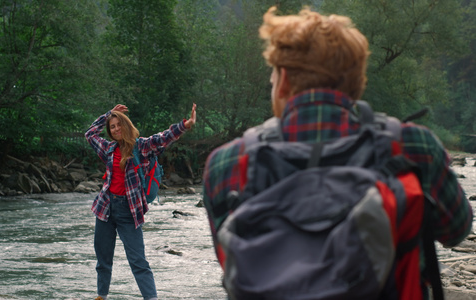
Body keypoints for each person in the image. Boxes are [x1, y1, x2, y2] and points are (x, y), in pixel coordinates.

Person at [202, 6, 473, 298]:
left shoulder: (227, 162)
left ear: (284, 81)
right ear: (357, 84)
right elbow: (455, 229)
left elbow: (228, 258)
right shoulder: (412, 146)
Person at [86, 103, 197, 300]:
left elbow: (163, 138)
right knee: (103, 260)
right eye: (112, 127)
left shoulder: (142, 147)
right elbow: (90, 134)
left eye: (119, 124)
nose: (116, 129)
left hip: (129, 211)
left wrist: (185, 125)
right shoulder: (108, 149)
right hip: (105, 208)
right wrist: (107, 114)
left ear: (126, 125)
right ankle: (101, 296)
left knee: (138, 262)